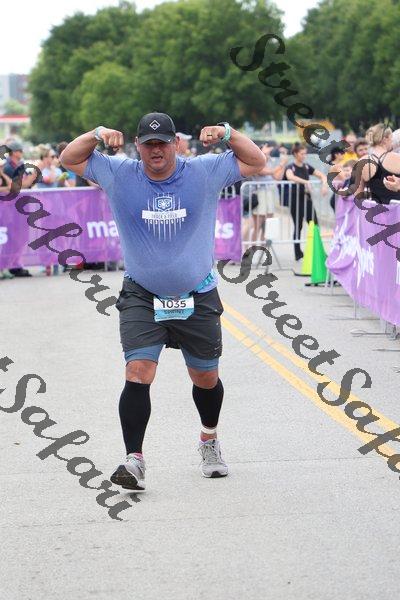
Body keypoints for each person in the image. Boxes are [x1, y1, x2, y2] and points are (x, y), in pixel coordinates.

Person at [60, 112, 265, 491]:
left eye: (163, 143)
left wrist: (227, 132)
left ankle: (209, 439)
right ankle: (133, 460)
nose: (157, 150)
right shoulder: (120, 174)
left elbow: (256, 161)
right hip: (142, 293)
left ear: (176, 144)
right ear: (138, 146)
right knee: (138, 371)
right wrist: (97, 133)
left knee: (205, 377)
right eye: (149, 144)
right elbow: (69, 158)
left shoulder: (203, 171)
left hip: (197, 293)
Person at [285, 143, 328, 261]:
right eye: (301, 154)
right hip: (295, 200)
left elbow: (322, 175)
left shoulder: (307, 167)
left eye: (305, 153)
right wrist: (305, 182)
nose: (304, 156)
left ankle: (318, 251)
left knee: (314, 225)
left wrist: (324, 184)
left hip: (307, 199)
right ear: (295, 154)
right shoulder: (291, 167)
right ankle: (298, 253)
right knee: (298, 226)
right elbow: (290, 177)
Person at [3, 141, 36, 277]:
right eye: (20, 150)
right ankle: (12, 265)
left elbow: (29, 184)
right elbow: (22, 184)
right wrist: (33, 175)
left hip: (23, 206)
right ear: (14, 152)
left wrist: (30, 179)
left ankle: (16, 263)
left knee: (23, 237)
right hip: (12, 208)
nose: (22, 153)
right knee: (15, 237)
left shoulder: (20, 165)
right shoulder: (8, 168)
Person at [355, 123, 400, 204]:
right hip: (397, 209)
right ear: (385, 139)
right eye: (391, 138)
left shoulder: (361, 162)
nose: (392, 142)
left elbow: (358, 196)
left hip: (375, 210)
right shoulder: (397, 158)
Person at [328, 146, 346, 211]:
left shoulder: (338, 165)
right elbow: (345, 178)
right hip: (338, 195)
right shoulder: (335, 166)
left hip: (338, 194)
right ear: (336, 155)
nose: (343, 155)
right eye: (342, 153)